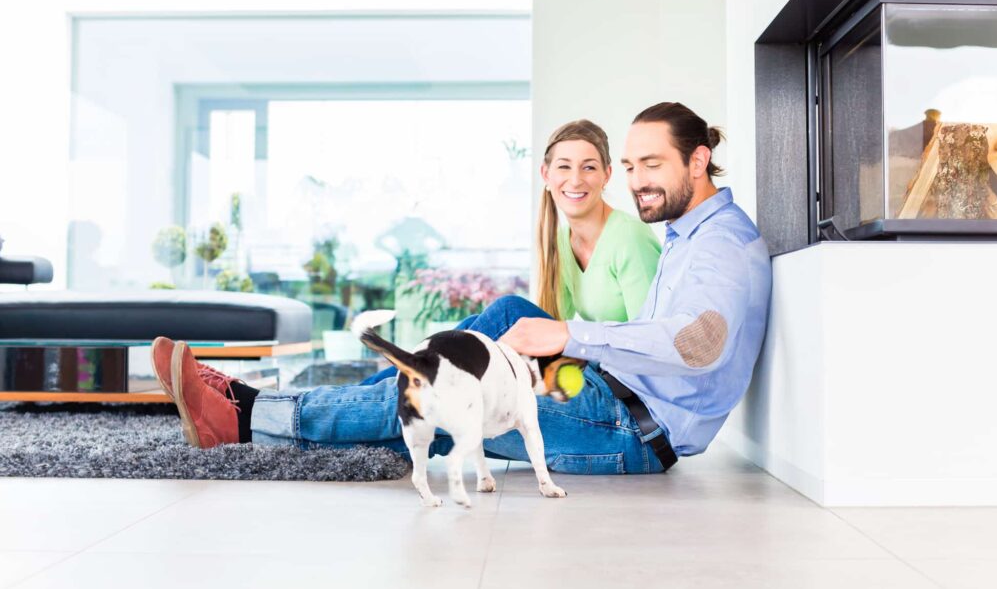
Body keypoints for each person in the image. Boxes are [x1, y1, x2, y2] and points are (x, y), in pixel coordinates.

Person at [152, 102, 771, 475]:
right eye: (632, 166)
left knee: (452, 387)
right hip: (616, 397)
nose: (637, 182)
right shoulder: (692, 231)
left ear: (697, 161)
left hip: (631, 429)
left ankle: (248, 414)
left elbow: (700, 343)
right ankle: (299, 407)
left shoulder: (719, 243)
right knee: (486, 331)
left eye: (651, 165)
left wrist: (571, 335)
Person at [358, 118, 661, 387]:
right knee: (470, 330)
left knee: (508, 314)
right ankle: (371, 394)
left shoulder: (628, 237)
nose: (576, 179)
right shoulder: (561, 240)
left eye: (589, 167)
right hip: (588, 365)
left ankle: (370, 396)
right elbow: (553, 320)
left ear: (607, 175)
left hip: (620, 382)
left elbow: (649, 345)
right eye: (564, 166)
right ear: (546, 174)